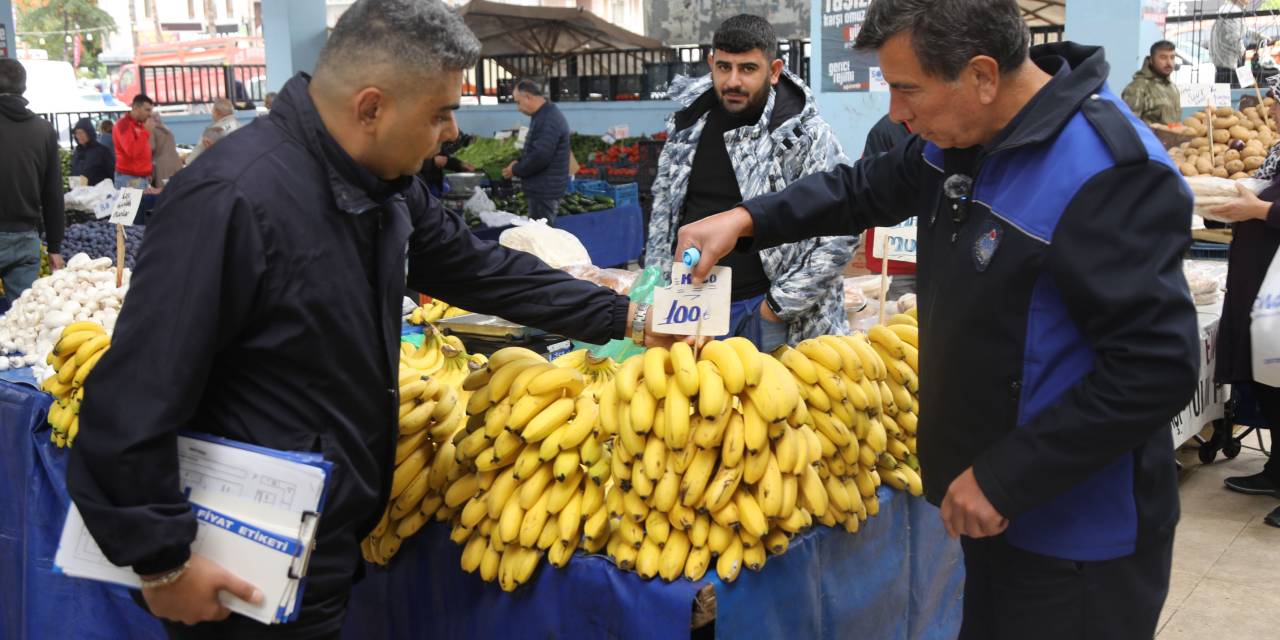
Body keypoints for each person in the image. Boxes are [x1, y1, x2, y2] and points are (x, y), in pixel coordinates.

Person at [65, 1, 671, 636]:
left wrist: (622, 313)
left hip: (323, 537)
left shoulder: (385, 188)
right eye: (439, 113)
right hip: (237, 549)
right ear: (372, 107)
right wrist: (161, 564)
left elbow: (477, 269)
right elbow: (130, 398)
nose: (450, 133)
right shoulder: (233, 199)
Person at [675, 1, 1200, 637]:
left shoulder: (1108, 172)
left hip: (1078, 540)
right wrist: (747, 219)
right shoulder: (959, 142)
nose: (896, 112)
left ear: (982, 75)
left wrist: (1008, 477)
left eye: (905, 89)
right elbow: (861, 188)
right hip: (988, 511)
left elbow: (1155, 368)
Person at [644, 14, 854, 352]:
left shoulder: (802, 135)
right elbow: (665, 213)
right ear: (711, 63)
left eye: (748, 69)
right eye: (724, 67)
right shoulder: (689, 124)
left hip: (766, 314)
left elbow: (842, 227)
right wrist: (658, 281)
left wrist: (776, 307)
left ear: (773, 71)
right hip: (692, 306)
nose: (733, 81)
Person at [1209, 86, 1280, 529]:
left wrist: (1259, 210)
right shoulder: (1277, 150)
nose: (1272, 109)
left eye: (1279, 104)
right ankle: (1277, 470)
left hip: (1274, 287)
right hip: (1261, 288)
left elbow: (1268, 207)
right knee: (1273, 385)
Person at [0, 59, 65, 301]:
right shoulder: (44, 130)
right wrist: (55, 247)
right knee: (23, 323)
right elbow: (53, 193)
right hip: (26, 238)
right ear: (24, 88)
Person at [860, 114, 916, 298]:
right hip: (895, 261)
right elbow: (866, 187)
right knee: (895, 319)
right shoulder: (884, 130)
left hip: (941, 260)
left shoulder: (956, 129)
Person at [502, 79, 570, 221]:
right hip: (543, 188)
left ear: (528, 97)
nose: (518, 108)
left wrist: (516, 170)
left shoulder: (548, 118)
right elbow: (536, 149)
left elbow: (541, 156)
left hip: (545, 191)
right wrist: (518, 162)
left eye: (518, 102)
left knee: (542, 236)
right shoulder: (542, 115)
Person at [1122, 40, 1181, 125]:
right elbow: (1129, 126)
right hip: (1147, 138)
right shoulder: (1137, 88)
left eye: (1172, 57)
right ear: (1151, 60)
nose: (1169, 63)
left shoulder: (1173, 88)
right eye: (1163, 57)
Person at [114, 94, 155, 189]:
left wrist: (147, 172)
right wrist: (146, 132)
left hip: (139, 177)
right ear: (136, 108)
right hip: (129, 178)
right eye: (147, 110)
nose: (150, 114)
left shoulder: (139, 125)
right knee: (133, 204)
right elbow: (132, 151)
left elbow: (142, 151)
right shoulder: (123, 125)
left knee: (142, 204)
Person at [184, 98, 241, 167]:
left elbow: (194, 158)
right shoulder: (240, 125)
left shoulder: (214, 130)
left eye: (212, 111)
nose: (212, 114)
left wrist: (185, 160)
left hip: (221, 170)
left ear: (217, 112)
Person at [418, 132, 476, 199]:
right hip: (419, 186)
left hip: (434, 184)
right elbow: (408, 161)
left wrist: (460, 165)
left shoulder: (434, 139)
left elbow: (444, 159)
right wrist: (432, 162)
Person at [70, 117, 116, 187]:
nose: (79, 136)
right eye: (77, 133)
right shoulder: (77, 152)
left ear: (89, 133)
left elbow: (112, 173)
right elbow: (74, 172)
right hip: (80, 193)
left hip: (99, 193)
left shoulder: (102, 151)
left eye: (82, 132)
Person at [1212, 0, 1245, 86]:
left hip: (1223, 64)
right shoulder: (1234, 10)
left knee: (1223, 95)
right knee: (1232, 95)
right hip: (1229, 65)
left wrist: (1258, 36)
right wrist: (1242, 51)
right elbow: (1234, 37)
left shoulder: (1225, 8)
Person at [149, 112, 182, 186]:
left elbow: (151, 147)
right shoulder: (166, 128)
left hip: (162, 164)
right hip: (176, 161)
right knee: (177, 187)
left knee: (164, 189)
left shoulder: (152, 130)